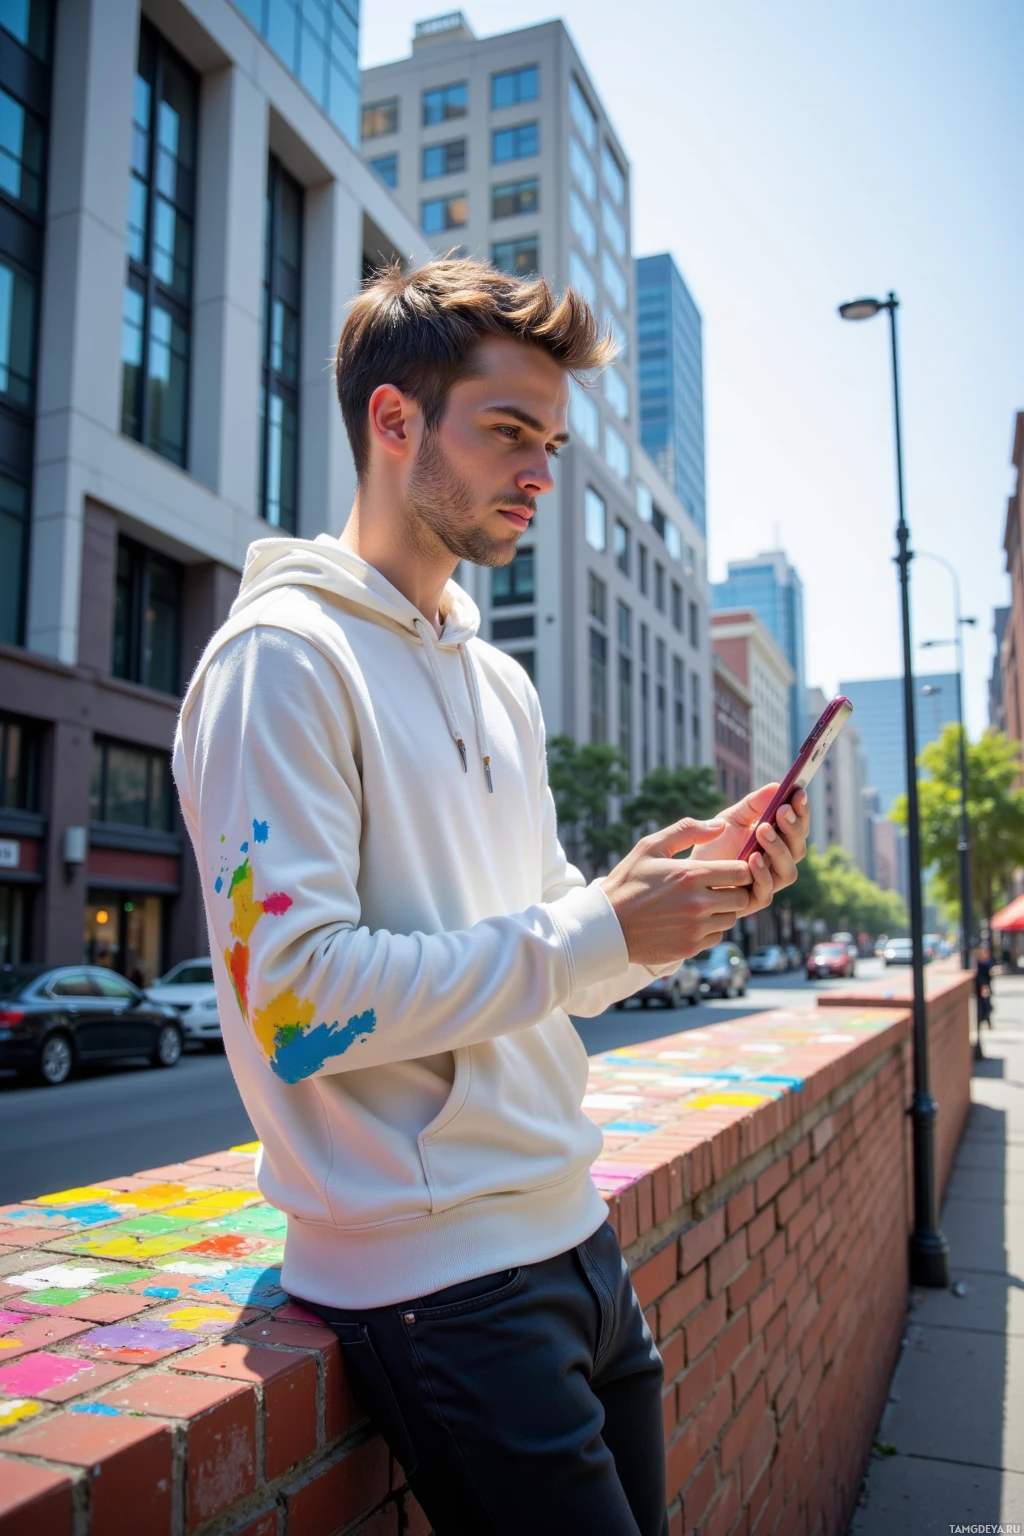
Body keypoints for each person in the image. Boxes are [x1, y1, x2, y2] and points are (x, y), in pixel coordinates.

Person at [173, 259, 810, 1536]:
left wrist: (682, 901)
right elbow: (297, 1002)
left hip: (576, 1239)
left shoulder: (499, 679)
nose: (539, 473)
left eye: (554, 443)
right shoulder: (279, 662)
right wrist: (592, 927)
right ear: (392, 421)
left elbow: (559, 940)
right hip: (438, 1280)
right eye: (508, 432)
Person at [976, 944, 994, 1028]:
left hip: (985, 986)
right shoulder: (981, 964)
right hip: (984, 987)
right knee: (985, 1005)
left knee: (986, 1005)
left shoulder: (983, 963)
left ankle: (986, 1021)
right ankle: (985, 1021)